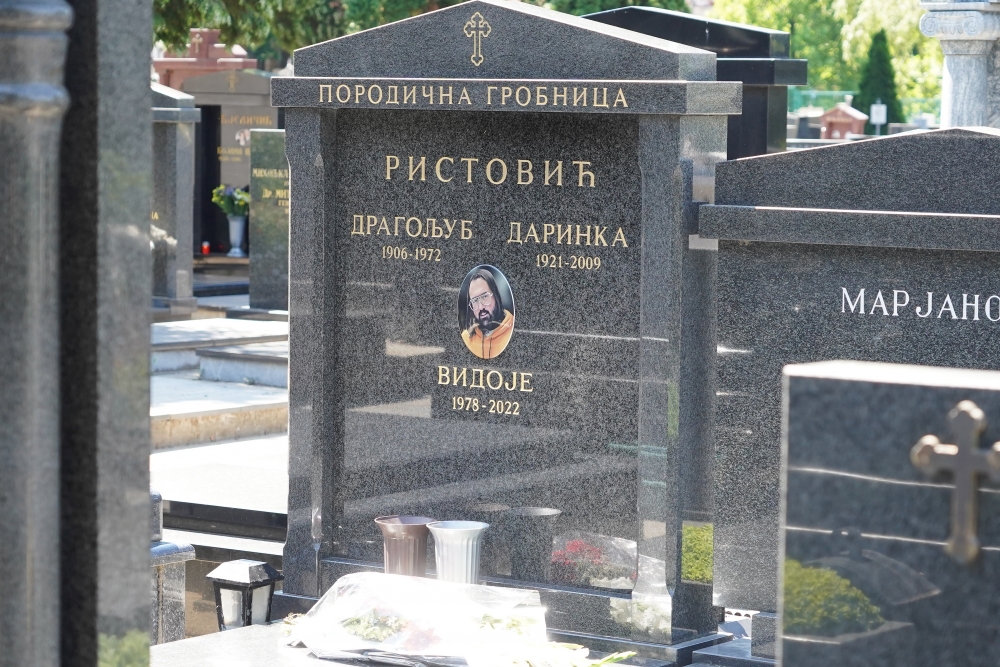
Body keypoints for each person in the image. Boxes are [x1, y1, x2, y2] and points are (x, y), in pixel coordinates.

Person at [460, 268, 514, 359]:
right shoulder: (466, 338)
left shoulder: (513, 330)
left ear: (496, 296)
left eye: (485, 297)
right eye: (475, 300)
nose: (481, 307)